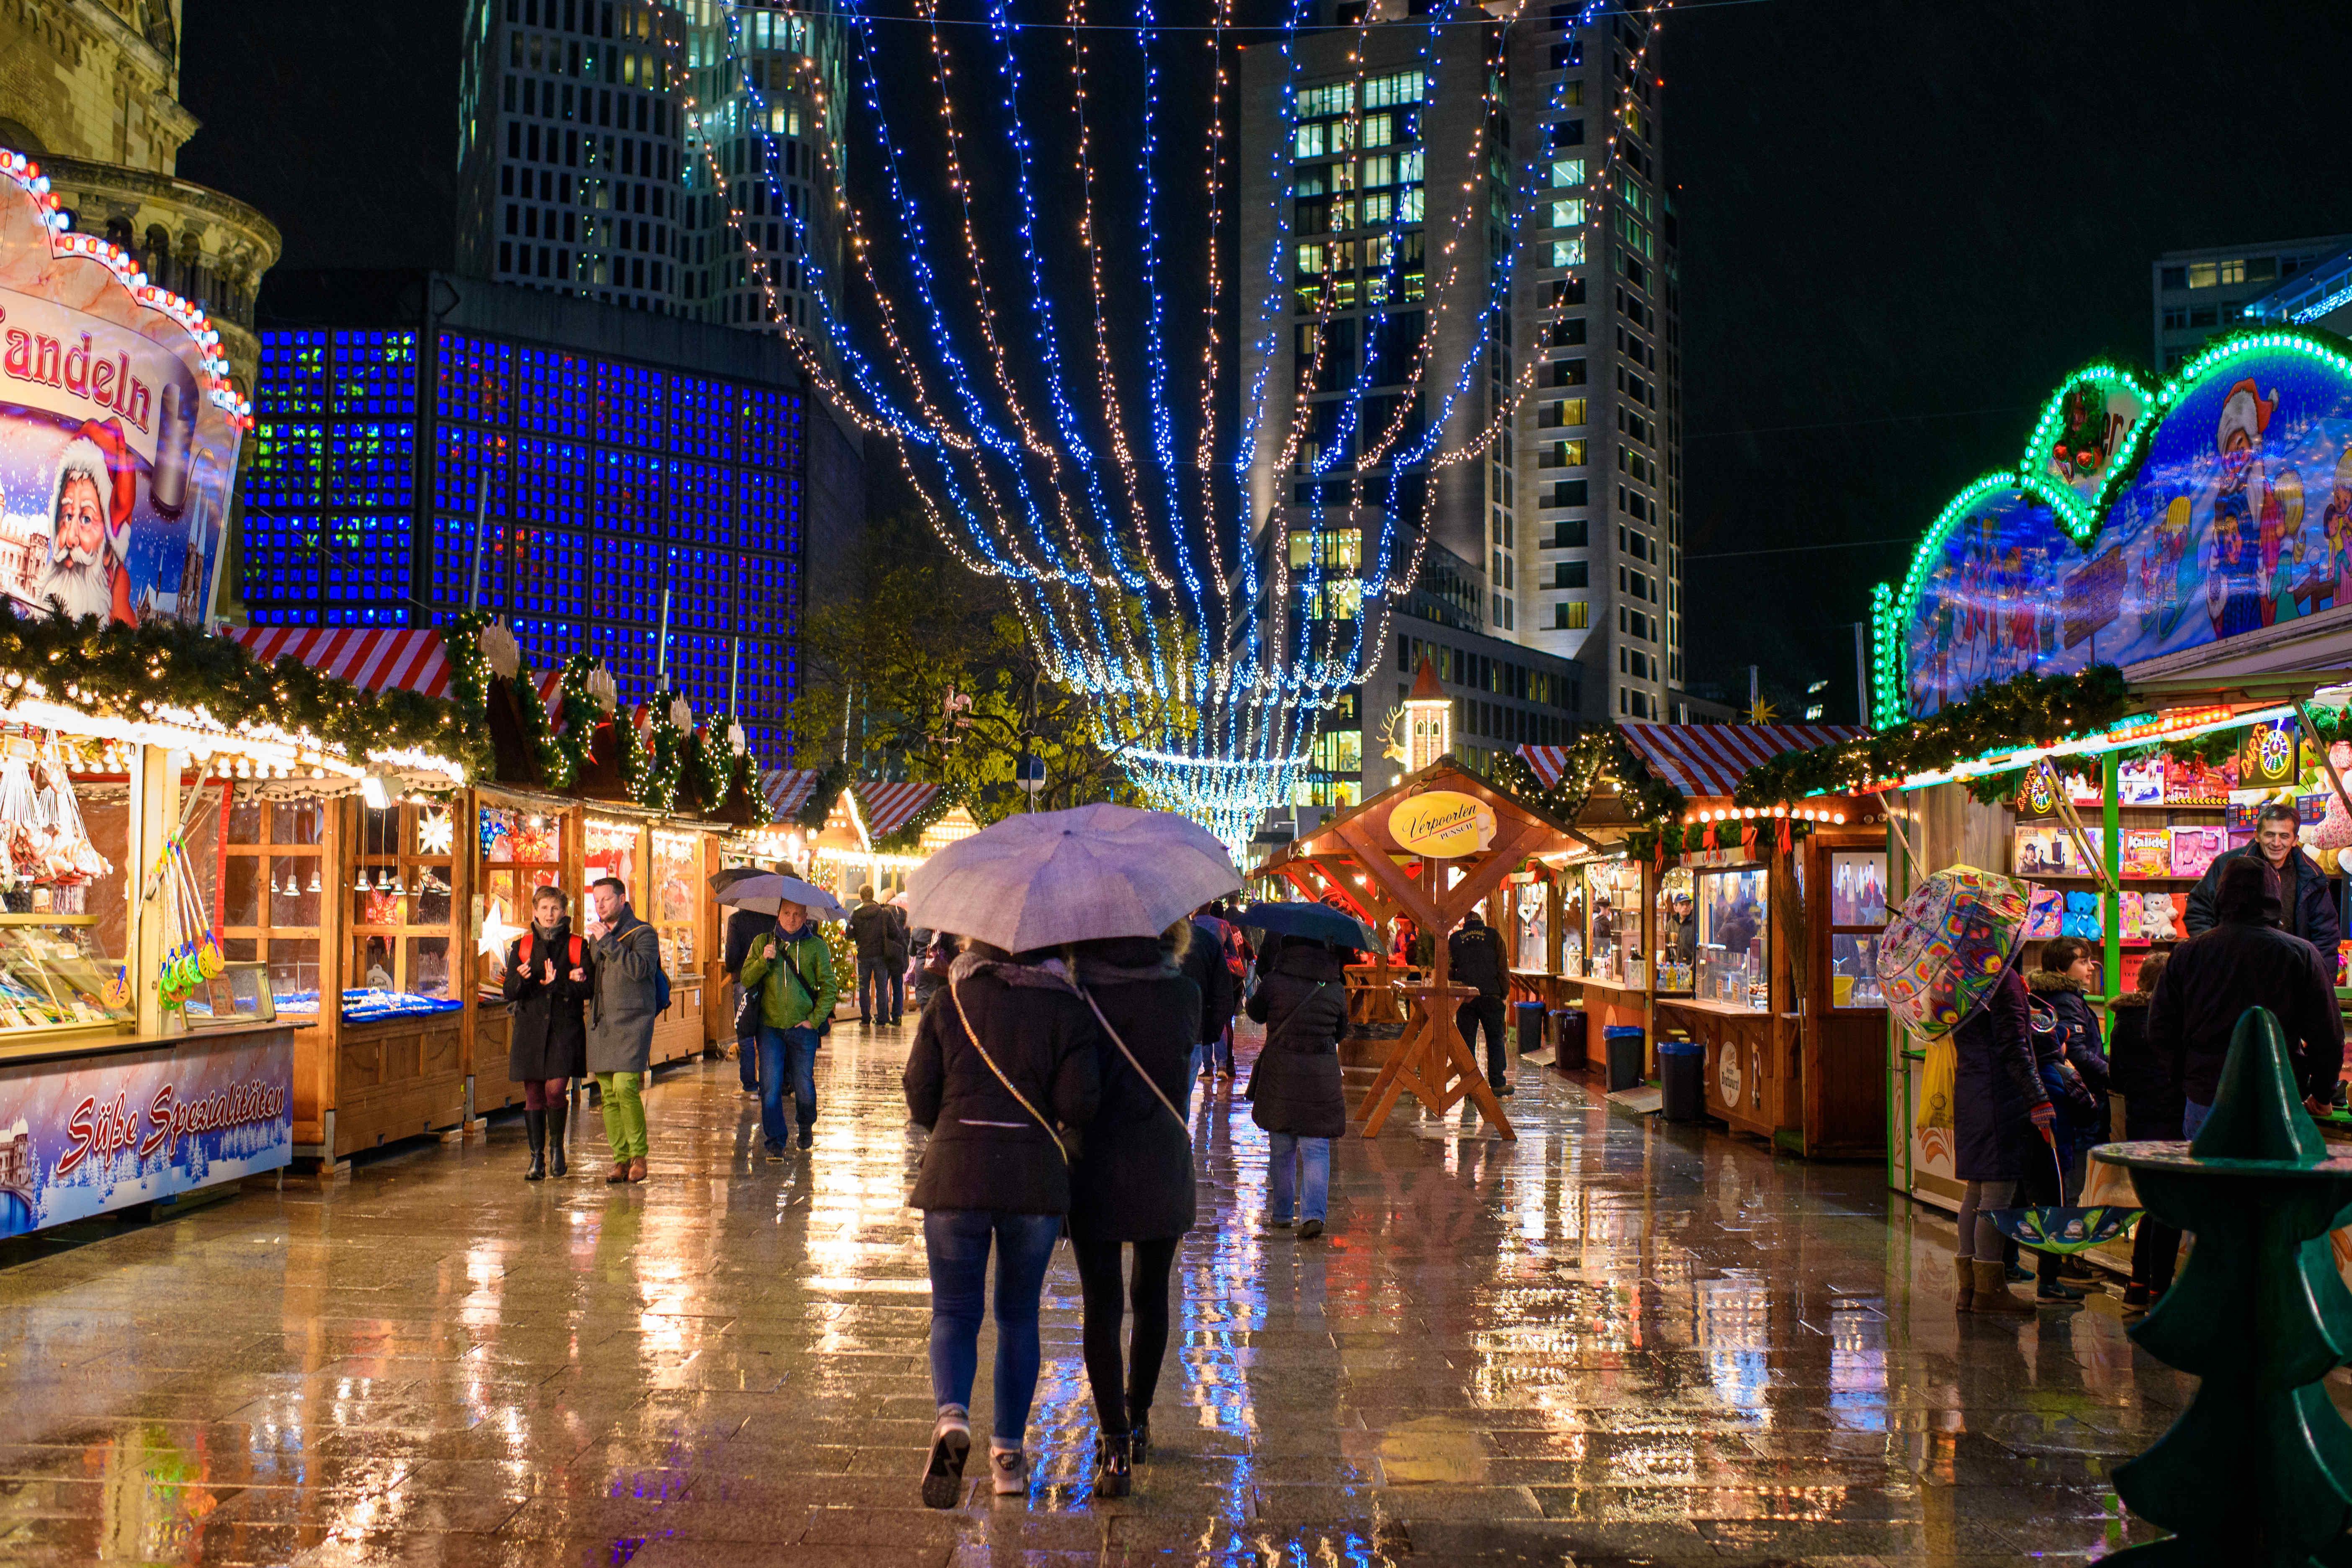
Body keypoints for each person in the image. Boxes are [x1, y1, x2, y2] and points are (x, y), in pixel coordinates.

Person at [905, 941, 1100, 1508]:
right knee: (1017, 1316)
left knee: (954, 1312)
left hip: (955, 1175)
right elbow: (1079, 1103)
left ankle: (951, 1418)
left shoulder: (951, 1000)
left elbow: (920, 1096)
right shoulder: (1068, 1008)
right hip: (1031, 1181)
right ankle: (1009, 1459)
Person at [1069, 924, 1199, 1497]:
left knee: (1101, 1303)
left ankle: (1114, 1444)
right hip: (1162, 1158)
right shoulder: (1184, 993)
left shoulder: (1079, 994)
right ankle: (1140, 1417)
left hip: (1094, 1162)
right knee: (1152, 1295)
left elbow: (1075, 1090)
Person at [2152, 855, 2345, 1135]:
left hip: (2206, 1097)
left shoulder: (2187, 954)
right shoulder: (2300, 954)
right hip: (2278, 1097)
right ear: (2273, 896)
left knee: (2210, 1179)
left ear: (2221, 894)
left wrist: (2189, 1079)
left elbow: (2160, 1027)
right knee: (2269, 1180)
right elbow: (2328, 1036)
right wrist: (2322, 1094)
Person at [1950, 963, 2058, 1316]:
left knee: (1976, 1190)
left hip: (1972, 1088)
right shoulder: (2002, 979)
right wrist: (2038, 1097)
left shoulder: (1958, 975)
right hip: (2000, 1095)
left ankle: (1968, 1289)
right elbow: (2014, 1047)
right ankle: (1989, 1290)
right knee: (1996, 1193)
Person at [1246, 935, 1351, 1238]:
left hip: (1280, 1074)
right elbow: (1340, 1031)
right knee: (1317, 1147)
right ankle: (1313, 1216)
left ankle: (1281, 1214)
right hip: (1321, 1077)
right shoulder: (1333, 987)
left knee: (1282, 1148)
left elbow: (1254, 1012)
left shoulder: (1275, 981)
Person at [2026, 936, 2110, 1299]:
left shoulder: (2051, 1000)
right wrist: (2110, 1073)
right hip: (2073, 1104)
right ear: (2062, 968)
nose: (2091, 967)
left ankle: (2058, 1262)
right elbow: (2076, 1050)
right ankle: (2062, 1262)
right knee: (2067, 1186)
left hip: (2066, 1103)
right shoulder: (2066, 1002)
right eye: (2082, 961)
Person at [500, 885, 591, 1181]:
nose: (549, 915)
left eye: (555, 909)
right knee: (534, 1093)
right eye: (544, 909)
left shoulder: (578, 945)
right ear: (535, 911)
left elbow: (588, 988)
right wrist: (523, 979)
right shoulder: (522, 946)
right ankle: (536, 1158)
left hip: (564, 1029)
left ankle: (557, 1149)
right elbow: (509, 991)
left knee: (555, 1089)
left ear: (564, 912)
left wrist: (560, 983)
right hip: (530, 1029)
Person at [2106, 950, 2180, 1312]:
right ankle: (2158, 1293)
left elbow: (2116, 1078)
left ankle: (2137, 1287)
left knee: (2153, 1206)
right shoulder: (2175, 1019)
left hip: (2138, 1123)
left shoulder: (2124, 1020)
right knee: (2166, 1211)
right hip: (2172, 1121)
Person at [740, 899, 839, 1157]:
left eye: (797, 914)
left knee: (804, 1085)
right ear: (778, 913)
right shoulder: (764, 942)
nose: (792, 919)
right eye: (786, 913)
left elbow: (829, 988)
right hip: (770, 1027)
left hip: (803, 1028)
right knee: (770, 1086)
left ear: (806, 915)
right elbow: (746, 978)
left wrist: (814, 1020)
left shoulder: (816, 947)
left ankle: (806, 1125)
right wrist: (763, 961)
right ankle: (775, 1142)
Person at [2184, 798, 2341, 957]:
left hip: (2291, 972)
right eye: (2270, 835)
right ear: (2257, 835)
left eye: (2284, 836)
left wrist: (2319, 978)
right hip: (2235, 969)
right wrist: (2215, 953)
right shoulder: (2228, 866)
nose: (2276, 843)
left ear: (2295, 840)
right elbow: (2198, 912)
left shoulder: (2312, 875)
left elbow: (2326, 936)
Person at [584, 875, 663, 1184]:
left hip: (633, 1021)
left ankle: (639, 1155)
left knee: (625, 1086)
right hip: (603, 1022)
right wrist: (582, 974)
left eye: (606, 899)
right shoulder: (596, 935)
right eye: (596, 900)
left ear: (621, 899)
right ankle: (620, 1158)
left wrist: (607, 941)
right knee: (607, 1093)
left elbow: (639, 970)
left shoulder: (643, 932)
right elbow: (597, 973)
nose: (600, 905)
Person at [1447, 909, 1513, 1095]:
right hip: (1491, 995)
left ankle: (1470, 1086)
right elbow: (1503, 967)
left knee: (1467, 1042)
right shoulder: (1494, 936)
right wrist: (1503, 992)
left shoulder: (1455, 939)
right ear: (1481, 922)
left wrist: (1454, 990)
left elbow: (1450, 970)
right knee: (1495, 1039)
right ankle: (1498, 1084)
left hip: (1466, 997)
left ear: (1465, 923)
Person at [721, 902, 776, 1100]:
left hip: (744, 982)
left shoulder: (736, 920)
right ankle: (768, 1085)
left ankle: (750, 1085)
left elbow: (731, 959)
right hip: (769, 981)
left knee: (745, 1034)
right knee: (768, 1032)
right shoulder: (772, 920)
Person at [1182, 904, 1235, 1092]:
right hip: (1194, 1028)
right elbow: (1223, 998)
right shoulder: (1211, 938)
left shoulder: (1151, 942)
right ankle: (1222, 1064)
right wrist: (1208, 1032)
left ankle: (1209, 1067)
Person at [848, 884, 900, 1026]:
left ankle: (865, 1018)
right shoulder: (883, 912)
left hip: (863, 955)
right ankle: (882, 1018)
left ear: (860, 897)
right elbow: (895, 933)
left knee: (864, 987)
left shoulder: (855, 913)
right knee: (882, 987)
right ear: (873, 895)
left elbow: (848, 935)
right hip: (881, 955)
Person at [912, 927, 958, 1014]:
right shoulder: (945, 933)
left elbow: (911, 952)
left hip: (922, 972)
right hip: (939, 972)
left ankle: (925, 1026)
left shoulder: (916, 932)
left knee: (925, 1009)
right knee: (941, 1010)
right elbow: (955, 952)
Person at [883, 898, 912, 1026]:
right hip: (900, 956)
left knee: (883, 986)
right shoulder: (905, 914)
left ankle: (883, 1015)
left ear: (886, 899)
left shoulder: (885, 912)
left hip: (887, 954)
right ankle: (897, 1016)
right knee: (898, 987)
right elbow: (908, 936)